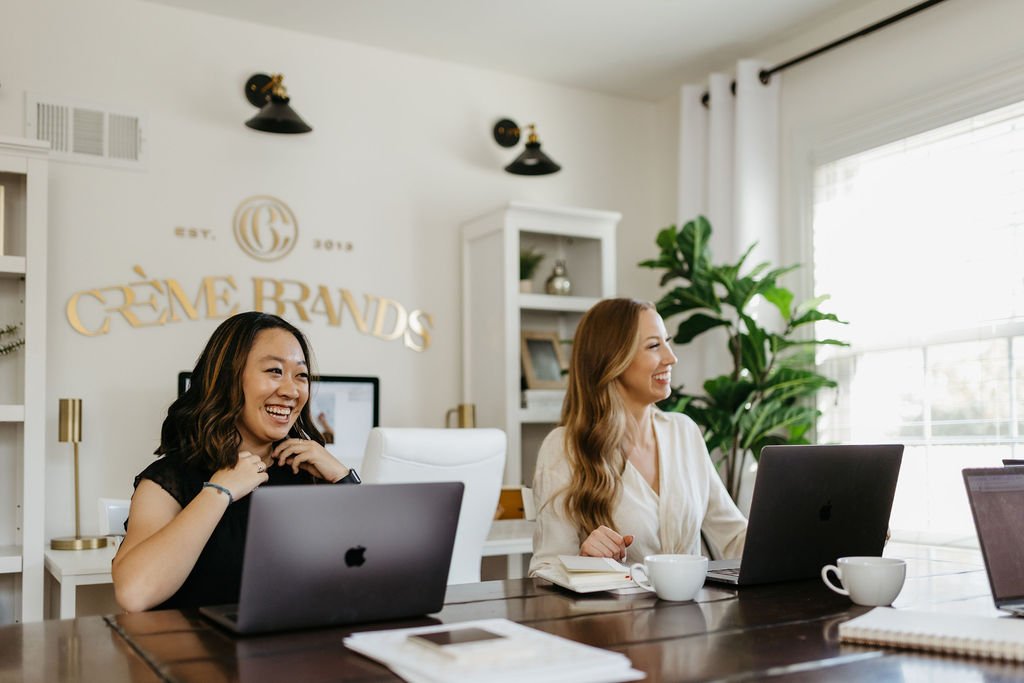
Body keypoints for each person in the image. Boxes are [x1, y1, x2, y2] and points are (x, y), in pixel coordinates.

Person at [112, 312, 359, 612]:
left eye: (301, 375)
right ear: (228, 377)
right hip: (200, 654)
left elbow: (379, 575)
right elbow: (134, 593)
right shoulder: (169, 480)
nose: (291, 391)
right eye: (274, 371)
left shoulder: (309, 473)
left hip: (298, 649)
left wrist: (343, 478)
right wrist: (218, 492)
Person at [529, 298, 747, 576]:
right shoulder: (564, 448)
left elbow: (734, 537)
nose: (671, 357)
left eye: (667, 342)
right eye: (654, 346)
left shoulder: (684, 433)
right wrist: (584, 561)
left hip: (690, 615)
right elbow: (544, 570)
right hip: (615, 618)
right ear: (612, 359)